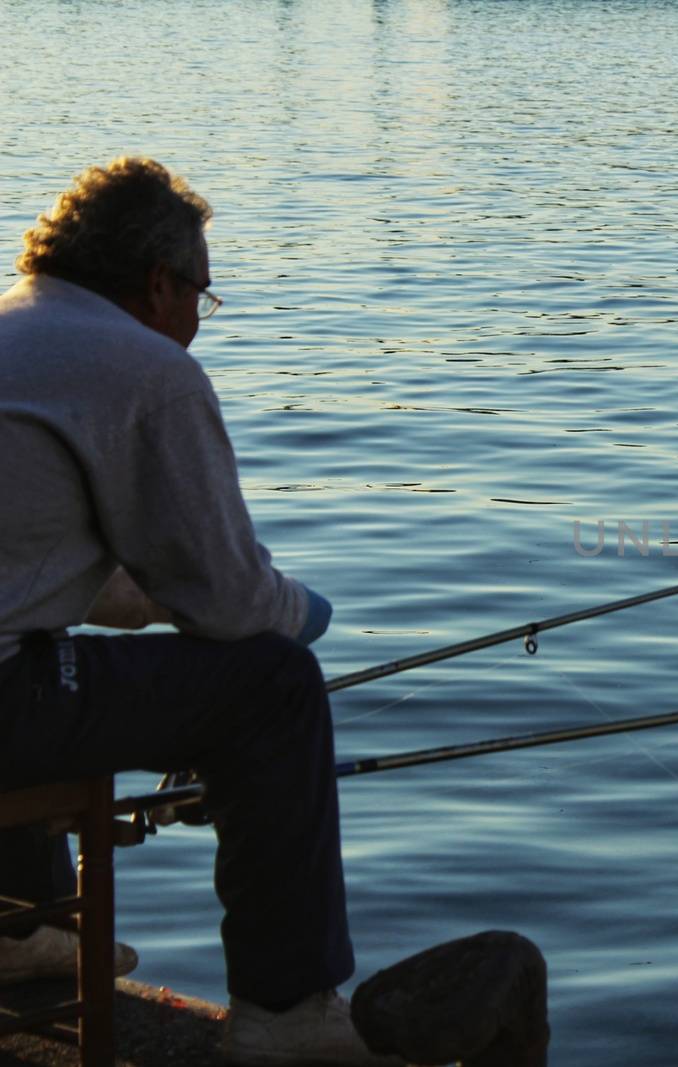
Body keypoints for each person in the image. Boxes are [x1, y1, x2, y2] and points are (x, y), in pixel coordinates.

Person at [0, 158, 398, 1066]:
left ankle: (19, 926)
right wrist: (308, 613)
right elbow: (235, 602)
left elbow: (22, 566)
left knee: (42, 646)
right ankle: (287, 1010)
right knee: (275, 685)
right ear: (158, 283)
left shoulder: (14, 329)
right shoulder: (142, 368)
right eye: (203, 299)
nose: (197, 326)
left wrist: (135, 605)